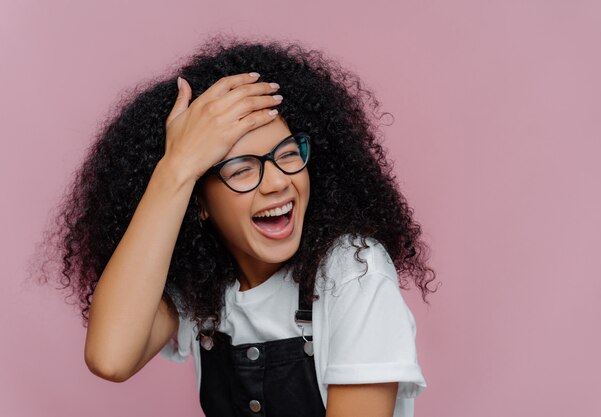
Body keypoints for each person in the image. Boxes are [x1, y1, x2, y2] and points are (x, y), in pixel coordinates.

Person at [38, 34, 438, 417]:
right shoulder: (203, 288)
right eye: (242, 169)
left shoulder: (353, 270)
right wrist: (176, 168)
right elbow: (110, 358)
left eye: (287, 153)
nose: (279, 181)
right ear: (200, 203)